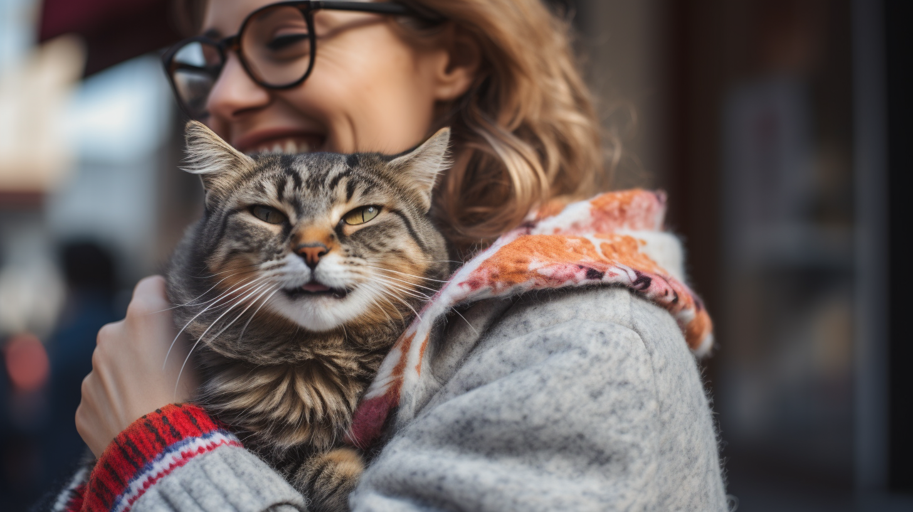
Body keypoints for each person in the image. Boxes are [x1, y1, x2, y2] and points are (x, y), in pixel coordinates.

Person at [65, 1, 729, 510]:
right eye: (207, 62)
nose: (223, 97)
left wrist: (158, 448)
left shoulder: (591, 349)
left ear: (451, 56)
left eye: (286, 39)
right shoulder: (223, 328)